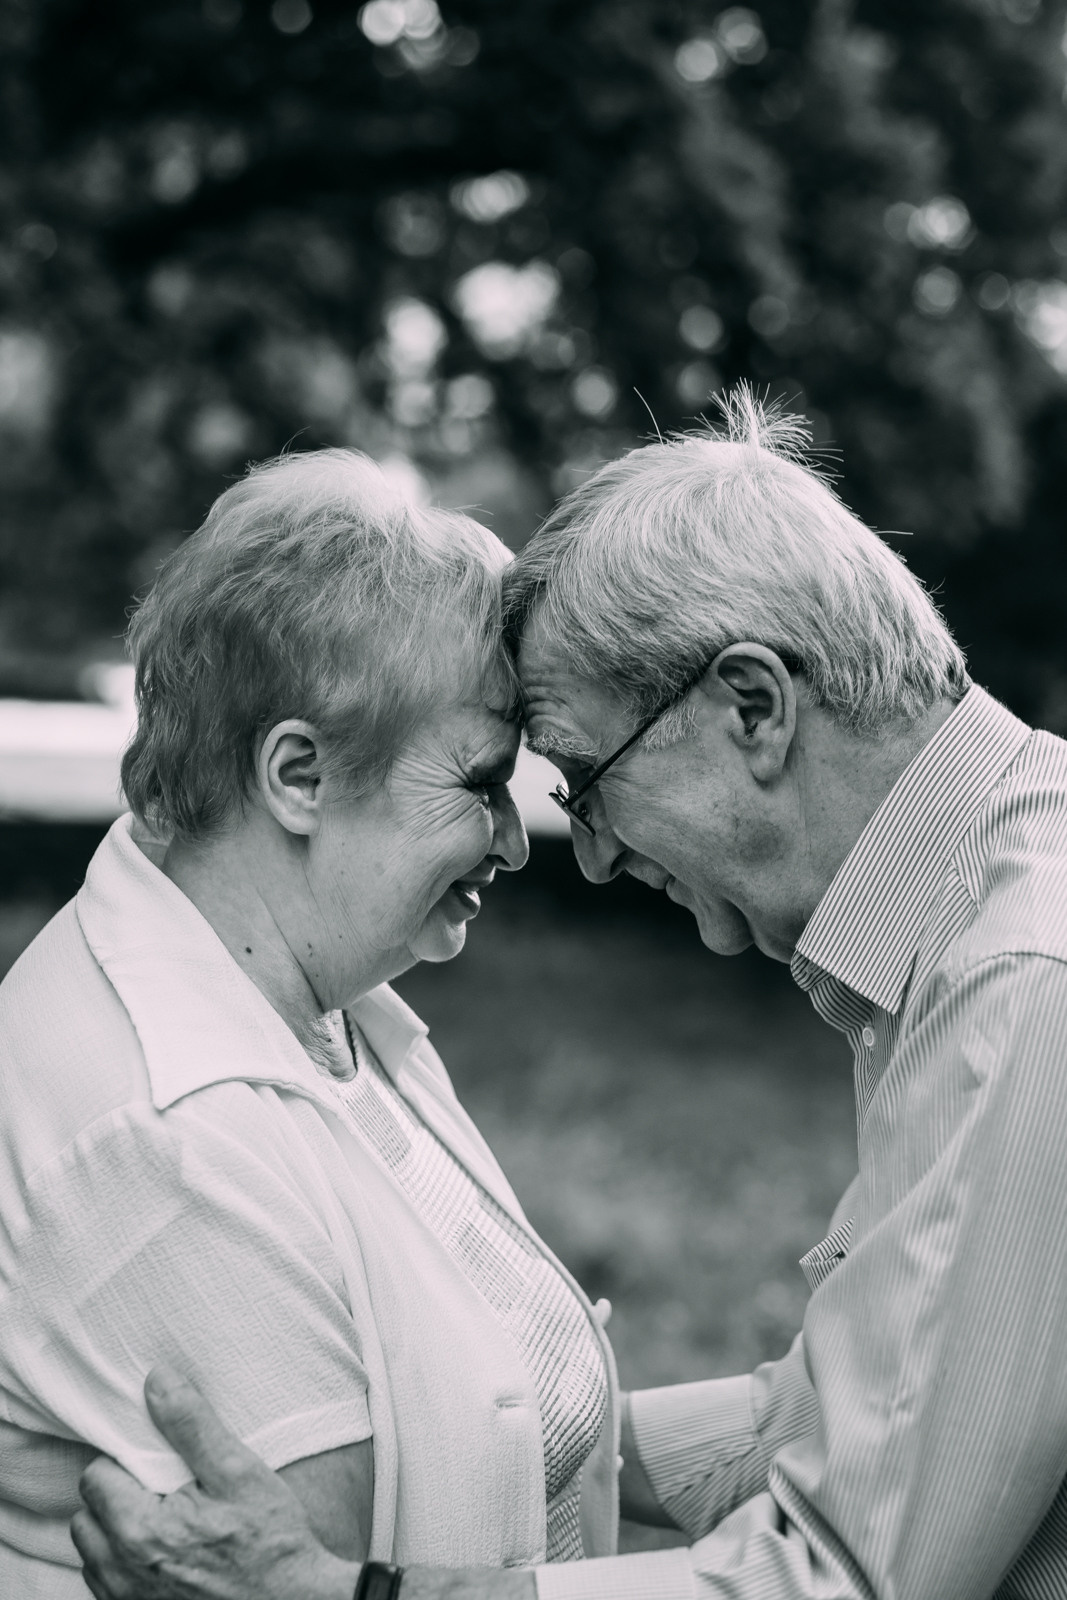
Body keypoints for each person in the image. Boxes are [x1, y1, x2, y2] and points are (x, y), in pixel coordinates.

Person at [73, 389, 1067, 1600]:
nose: (584, 855)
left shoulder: (1019, 986)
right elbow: (846, 1413)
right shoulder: (986, 893)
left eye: (582, 781)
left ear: (751, 706)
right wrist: (515, 1433)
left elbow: (840, 1578)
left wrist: (332, 1594)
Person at [0, 449, 624, 1598]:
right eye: (480, 781)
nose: (513, 838)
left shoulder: (316, 1008)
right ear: (298, 773)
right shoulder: (175, 1139)